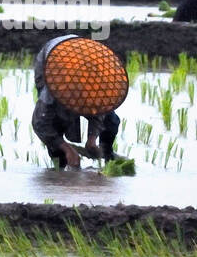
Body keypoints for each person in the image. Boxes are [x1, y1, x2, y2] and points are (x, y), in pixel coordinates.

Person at [32, 34, 127, 169]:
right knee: (56, 125)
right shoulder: (55, 88)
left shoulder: (96, 85)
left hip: (81, 56)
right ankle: (61, 161)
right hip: (50, 61)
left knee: (111, 121)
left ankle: (107, 155)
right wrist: (66, 148)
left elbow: (100, 111)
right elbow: (40, 123)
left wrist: (92, 139)